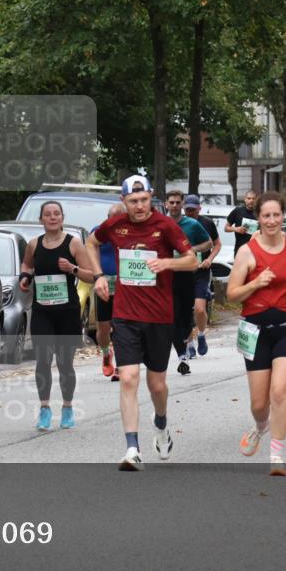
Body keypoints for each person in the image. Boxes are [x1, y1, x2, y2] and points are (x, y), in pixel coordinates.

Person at [85, 175, 196, 471]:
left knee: (157, 384)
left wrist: (167, 263)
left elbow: (192, 260)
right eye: (133, 201)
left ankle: (161, 424)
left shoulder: (165, 225)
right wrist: (97, 276)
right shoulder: (116, 225)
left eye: (144, 199)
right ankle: (132, 449)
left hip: (159, 316)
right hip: (126, 314)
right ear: (124, 202)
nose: (139, 206)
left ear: (151, 197)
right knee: (130, 378)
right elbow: (91, 242)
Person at [227, 191, 286, 476]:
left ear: (284, 217)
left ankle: (277, 456)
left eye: (276, 215)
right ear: (258, 218)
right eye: (266, 216)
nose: (271, 220)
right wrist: (255, 284)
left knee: (279, 391)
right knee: (259, 404)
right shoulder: (247, 252)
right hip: (255, 332)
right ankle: (260, 426)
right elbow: (232, 295)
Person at [18, 200, 94, 431]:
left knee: (64, 364)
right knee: (42, 361)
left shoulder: (74, 244)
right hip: (42, 310)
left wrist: (72, 269)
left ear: (62, 218)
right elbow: (27, 264)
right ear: (41, 219)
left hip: (67, 312)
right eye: (48, 214)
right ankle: (44, 409)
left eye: (56, 214)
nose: (52, 217)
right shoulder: (33, 244)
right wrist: (25, 277)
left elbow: (91, 276)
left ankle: (68, 408)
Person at [165, 191, 211, 375]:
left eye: (178, 202)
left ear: (182, 204)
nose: (175, 205)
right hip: (168, 275)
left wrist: (192, 249)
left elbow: (208, 243)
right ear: (166, 204)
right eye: (171, 202)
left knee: (185, 316)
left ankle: (189, 340)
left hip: (188, 275)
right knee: (173, 316)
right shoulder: (161, 224)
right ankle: (182, 356)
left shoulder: (192, 224)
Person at [183, 195, 221, 357]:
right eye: (188, 209)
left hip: (202, 271)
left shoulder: (207, 223)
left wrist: (209, 259)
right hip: (183, 271)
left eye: (193, 209)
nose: (190, 212)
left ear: (200, 208)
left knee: (199, 308)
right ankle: (189, 342)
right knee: (183, 310)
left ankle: (201, 334)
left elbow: (217, 244)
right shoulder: (180, 224)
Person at [92, 203, 126, 381]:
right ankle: (106, 354)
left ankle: (121, 366)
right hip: (104, 285)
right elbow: (90, 248)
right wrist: (97, 275)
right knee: (103, 329)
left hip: (124, 287)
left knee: (121, 327)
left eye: (120, 219)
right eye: (112, 218)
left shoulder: (131, 231)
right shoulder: (98, 231)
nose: (116, 222)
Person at [225, 190, 259, 256]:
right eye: (249, 198)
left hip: (256, 251)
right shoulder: (237, 211)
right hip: (240, 250)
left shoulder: (260, 212)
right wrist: (236, 229)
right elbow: (226, 228)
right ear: (245, 199)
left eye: (253, 199)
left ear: (256, 200)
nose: (251, 200)